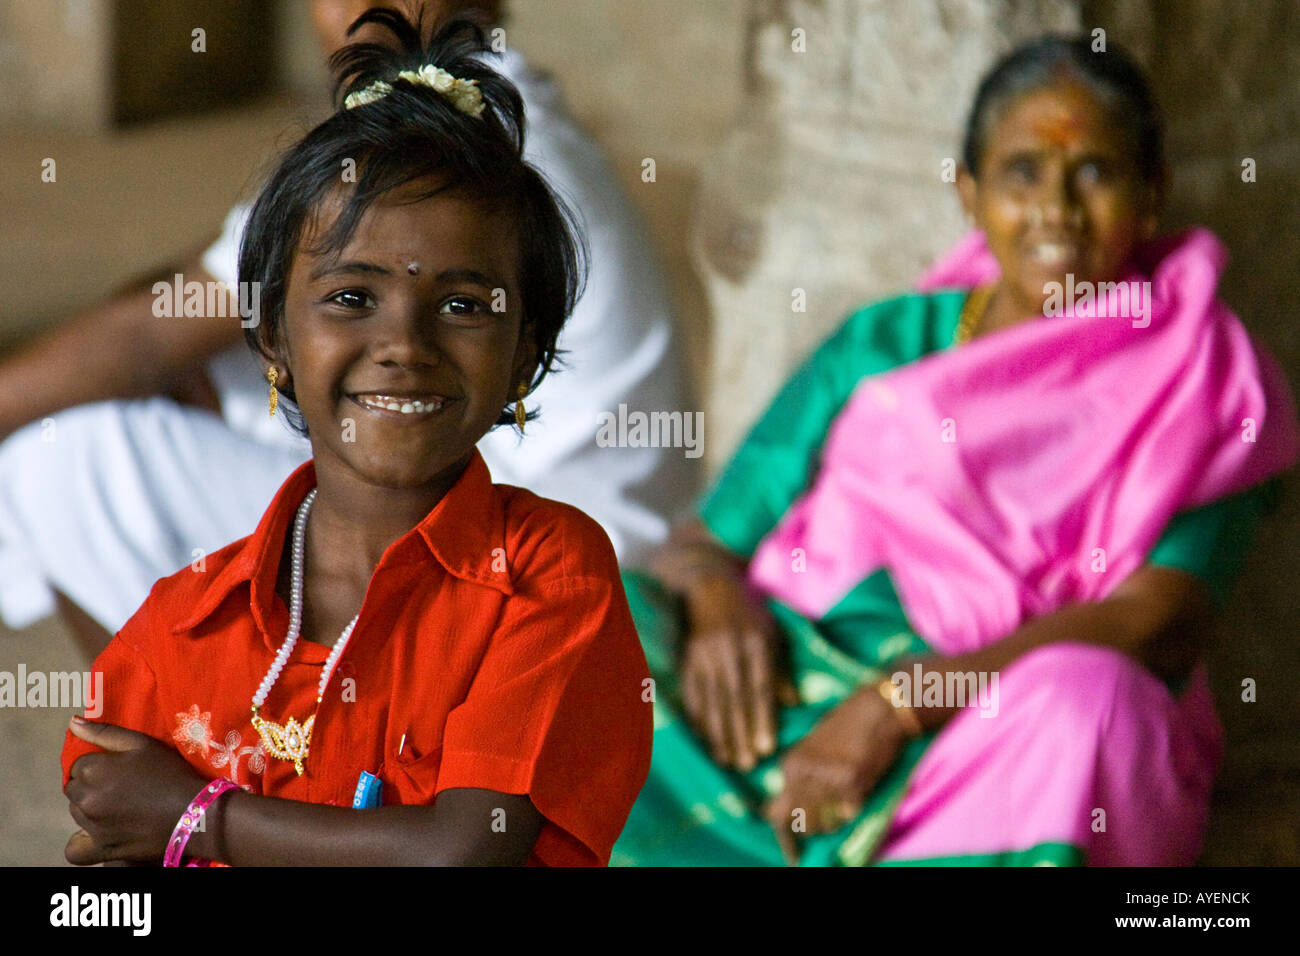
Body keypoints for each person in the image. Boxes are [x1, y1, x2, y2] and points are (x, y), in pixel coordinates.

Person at [610, 35, 1298, 867]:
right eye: (1022, 173)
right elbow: (706, 540)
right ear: (968, 194)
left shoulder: (1207, 375)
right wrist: (720, 606)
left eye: (1094, 172)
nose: (1057, 210)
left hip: (988, 727)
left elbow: (1156, 623)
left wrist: (900, 703)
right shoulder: (887, 343)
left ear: (1152, 196)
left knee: (1096, 705)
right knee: (591, 615)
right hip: (783, 689)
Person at [60, 12, 652, 867]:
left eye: (462, 304)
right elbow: (107, 824)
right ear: (270, 340)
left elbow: (463, 851)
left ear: (526, 358)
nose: (404, 345)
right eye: (350, 298)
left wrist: (196, 817)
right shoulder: (181, 625)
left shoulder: (549, 572)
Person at [0, 0, 690, 658]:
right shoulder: (435, 121)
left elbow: (142, 337)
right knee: (209, 366)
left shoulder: (463, 155)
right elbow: (176, 301)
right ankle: (188, 709)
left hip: (547, 540)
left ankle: (192, 737)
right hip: (500, 470)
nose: (360, 10)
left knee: (65, 458)